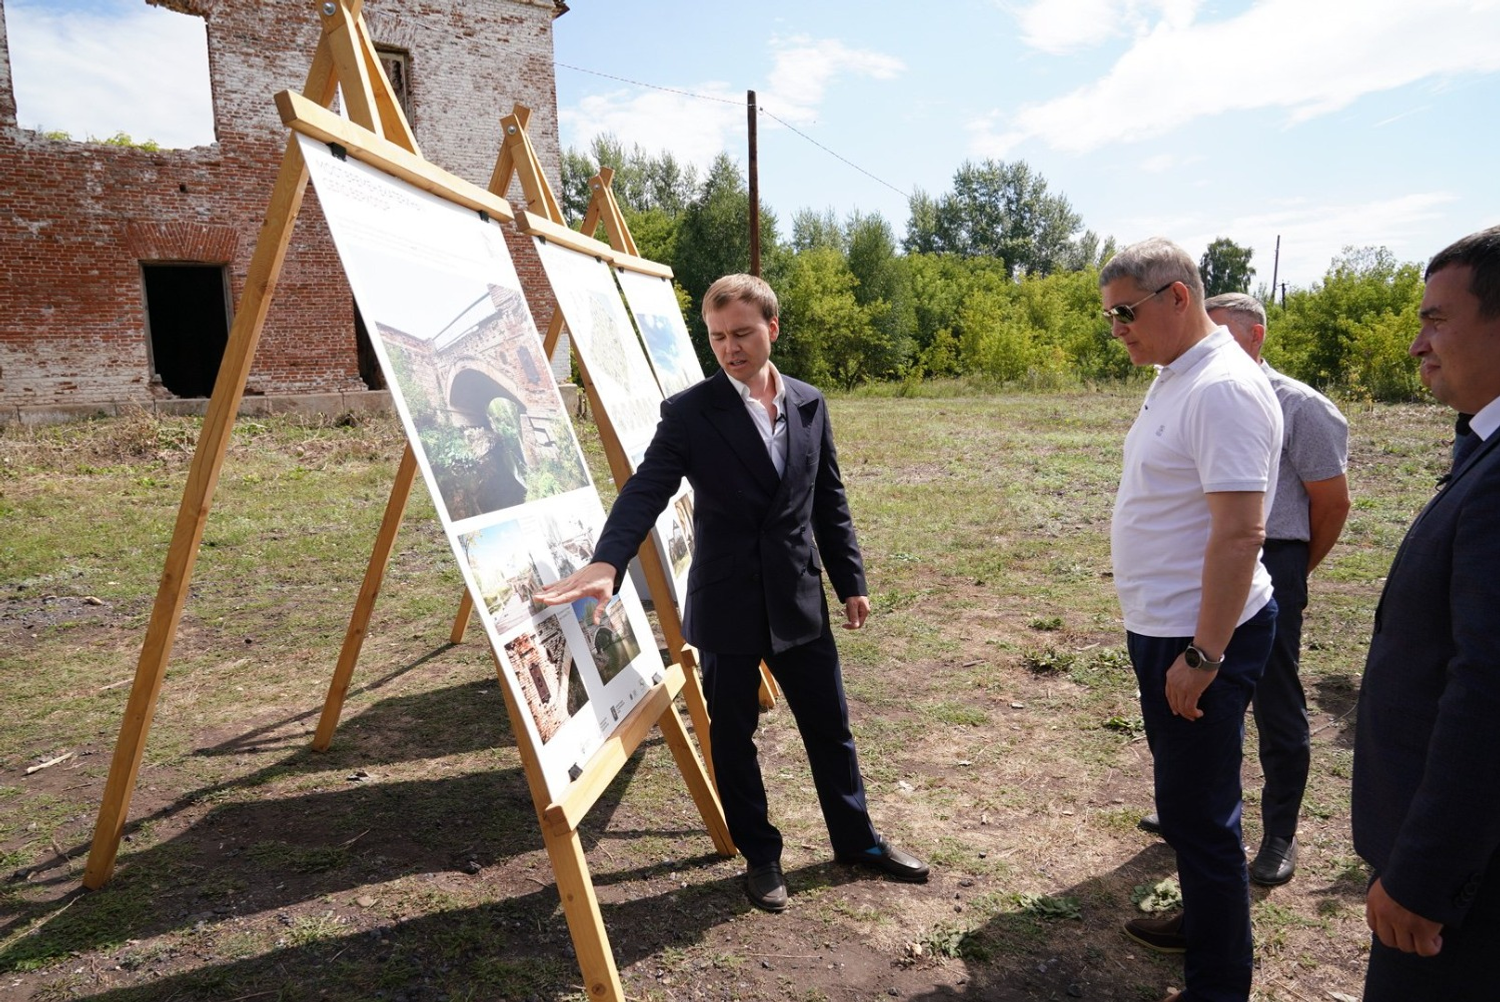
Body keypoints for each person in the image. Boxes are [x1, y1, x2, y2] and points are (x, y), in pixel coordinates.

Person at [532, 273, 928, 913]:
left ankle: (857, 840)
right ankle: (761, 856)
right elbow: (646, 488)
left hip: (799, 600)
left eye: (741, 333)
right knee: (734, 740)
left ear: (773, 328)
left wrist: (849, 580)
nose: (729, 348)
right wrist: (609, 559)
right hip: (728, 605)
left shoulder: (809, 402)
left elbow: (827, 500)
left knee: (831, 729)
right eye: (717, 337)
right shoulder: (691, 412)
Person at [1102, 238, 1282, 1002]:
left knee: (1202, 815)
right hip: (1170, 627)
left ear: (1178, 296)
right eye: (1109, 318)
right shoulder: (1178, 373)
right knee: (1183, 803)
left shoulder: (1222, 389)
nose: (1117, 330)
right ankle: (1204, 925)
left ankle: (1219, 984)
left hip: (1200, 636)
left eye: (1125, 313)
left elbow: (1240, 533)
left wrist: (1205, 654)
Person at [1138, 294, 1349, 888]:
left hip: (1268, 561)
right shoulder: (1190, 387)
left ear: (1256, 336)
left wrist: (1291, 573)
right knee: (1207, 699)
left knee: (1276, 700)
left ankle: (1280, 831)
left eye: (1222, 333)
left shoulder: (1300, 405)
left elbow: (1332, 502)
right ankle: (1202, 814)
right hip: (1208, 564)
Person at [1352, 224, 1500, 1001]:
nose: (1417, 345)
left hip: (1460, 897)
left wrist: (1423, 875)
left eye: (1437, 319)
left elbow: (1489, 690)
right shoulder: (1482, 446)